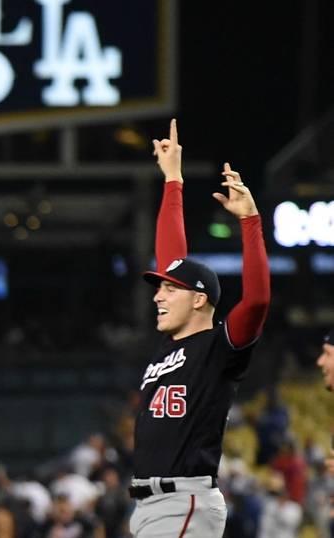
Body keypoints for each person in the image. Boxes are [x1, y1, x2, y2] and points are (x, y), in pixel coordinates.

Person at [129, 120, 270, 537]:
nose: (158, 295)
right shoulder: (171, 344)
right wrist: (173, 180)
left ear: (199, 299)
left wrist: (251, 222)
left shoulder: (219, 347)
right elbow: (172, 259)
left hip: (184, 501)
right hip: (150, 504)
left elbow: (258, 300)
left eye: (169, 291)